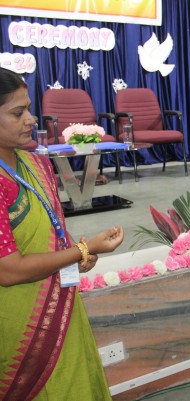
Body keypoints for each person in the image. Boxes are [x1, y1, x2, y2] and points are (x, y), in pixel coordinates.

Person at [0, 67, 125, 400]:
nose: (30, 119)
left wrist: (76, 254)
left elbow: (52, 231)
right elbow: (8, 270)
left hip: (62, 307)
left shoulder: (37, 164)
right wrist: (81, 249)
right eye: (17, 113)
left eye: (29, 109)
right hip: (20, 325)